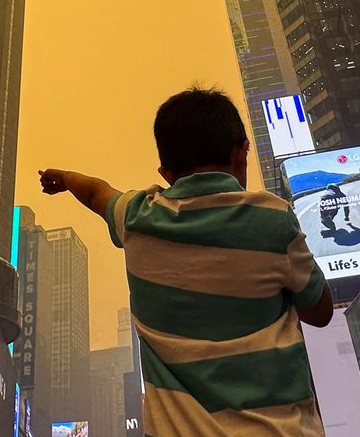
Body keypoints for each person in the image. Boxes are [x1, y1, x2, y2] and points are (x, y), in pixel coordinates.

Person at [39, 87, 333, 436]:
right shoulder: (273, 218)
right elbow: (321, 312)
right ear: (242, 152)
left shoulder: (136, 218)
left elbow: (95, 191)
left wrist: (64, 178)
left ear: (165, 172)